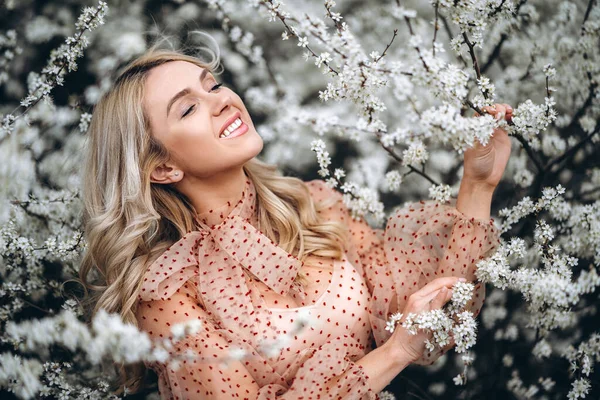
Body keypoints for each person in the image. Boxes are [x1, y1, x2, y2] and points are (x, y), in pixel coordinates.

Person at [79, 37, 511, 399]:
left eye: (212, 86)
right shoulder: (167, 292)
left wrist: (477, 187)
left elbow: (432, 318)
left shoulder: (314, 204)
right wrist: (394, 354)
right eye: (187, 108)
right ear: (162, 168)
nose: (220, 101)